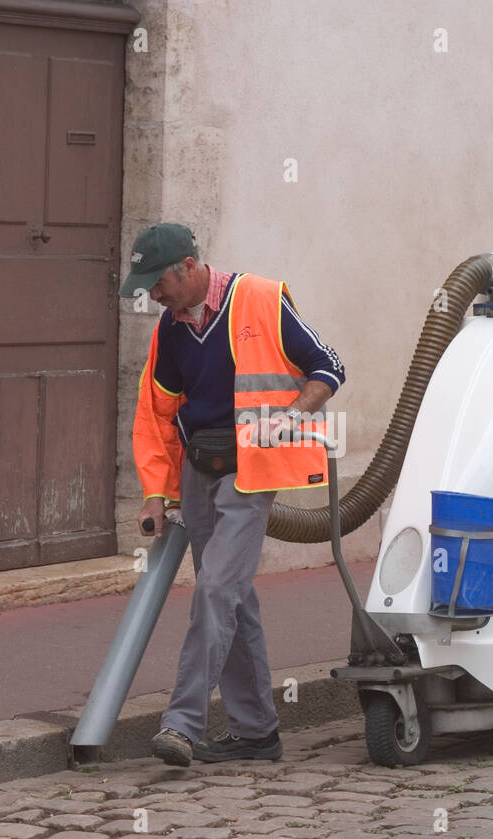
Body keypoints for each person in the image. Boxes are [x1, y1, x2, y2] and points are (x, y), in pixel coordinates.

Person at [123, 223, 344, 766]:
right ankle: (256, 732)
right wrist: (156, 492)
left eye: (159, 283)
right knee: (233, 598)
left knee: (216, 589)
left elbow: (328, 367)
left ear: (190, 266)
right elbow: (158, 413)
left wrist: (292, 417)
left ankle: (182, 724)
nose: (154, 295)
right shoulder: (171, 329)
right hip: (201, 470)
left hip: (254, 467)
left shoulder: (262, 299)